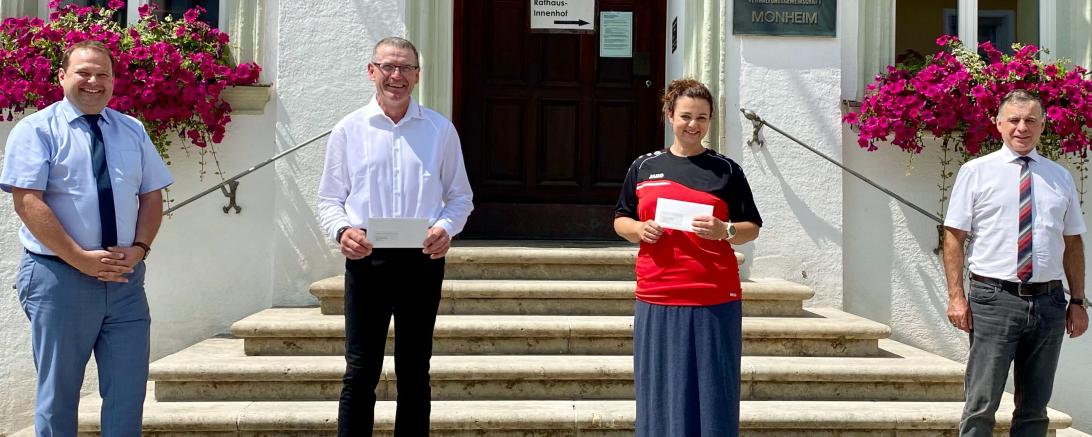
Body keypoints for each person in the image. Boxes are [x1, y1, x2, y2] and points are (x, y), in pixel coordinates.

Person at [1, 40, 173, 437]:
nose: (94, 81)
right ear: (62, 77)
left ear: (113, 81)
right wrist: (80, 257)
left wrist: (140, 249)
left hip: (126, 281)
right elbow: (28, 201)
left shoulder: (132, 130)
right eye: (84, 73)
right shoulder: (36, 130)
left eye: (103, 74)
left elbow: (151, 195)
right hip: (60, 279)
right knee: (59, 396)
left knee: (128, 394)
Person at [316, 36, 473, 436]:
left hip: (422, 260)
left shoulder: (440, 130)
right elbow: (329, 199)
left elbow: (460, 197)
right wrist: (342, 231)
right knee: (360, 370)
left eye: (405, 68)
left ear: (418, 76)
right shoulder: (349, 129)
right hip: (368, 260)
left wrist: (446, 228)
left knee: (415, 370)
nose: (396, 75)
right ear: (372, 72)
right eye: (388, 66)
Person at [613, 78, 762, 437]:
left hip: (713, 295)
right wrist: (638, 230)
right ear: (669, 115)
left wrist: (724, 230)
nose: (693, 125)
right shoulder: (644, 167)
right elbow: (621, 218)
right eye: (685, 116)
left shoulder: (726, 170)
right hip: (658, 293)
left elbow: (752, 226)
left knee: (713, 391)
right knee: (658, 389)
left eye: (702, 117)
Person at [943, 89, 1088, 437]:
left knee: (1035, 409)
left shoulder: (1060, 177)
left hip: (1049, 302)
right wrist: (956, 297)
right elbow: (953, 237)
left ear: (1041, 127)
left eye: (1030, 120)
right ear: (999, 125)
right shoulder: (976, 172)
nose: (1022, 127)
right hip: (994, 300)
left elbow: (1072, 242)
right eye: (1014, 120)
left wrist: (1078, 301)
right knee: (981, 403)